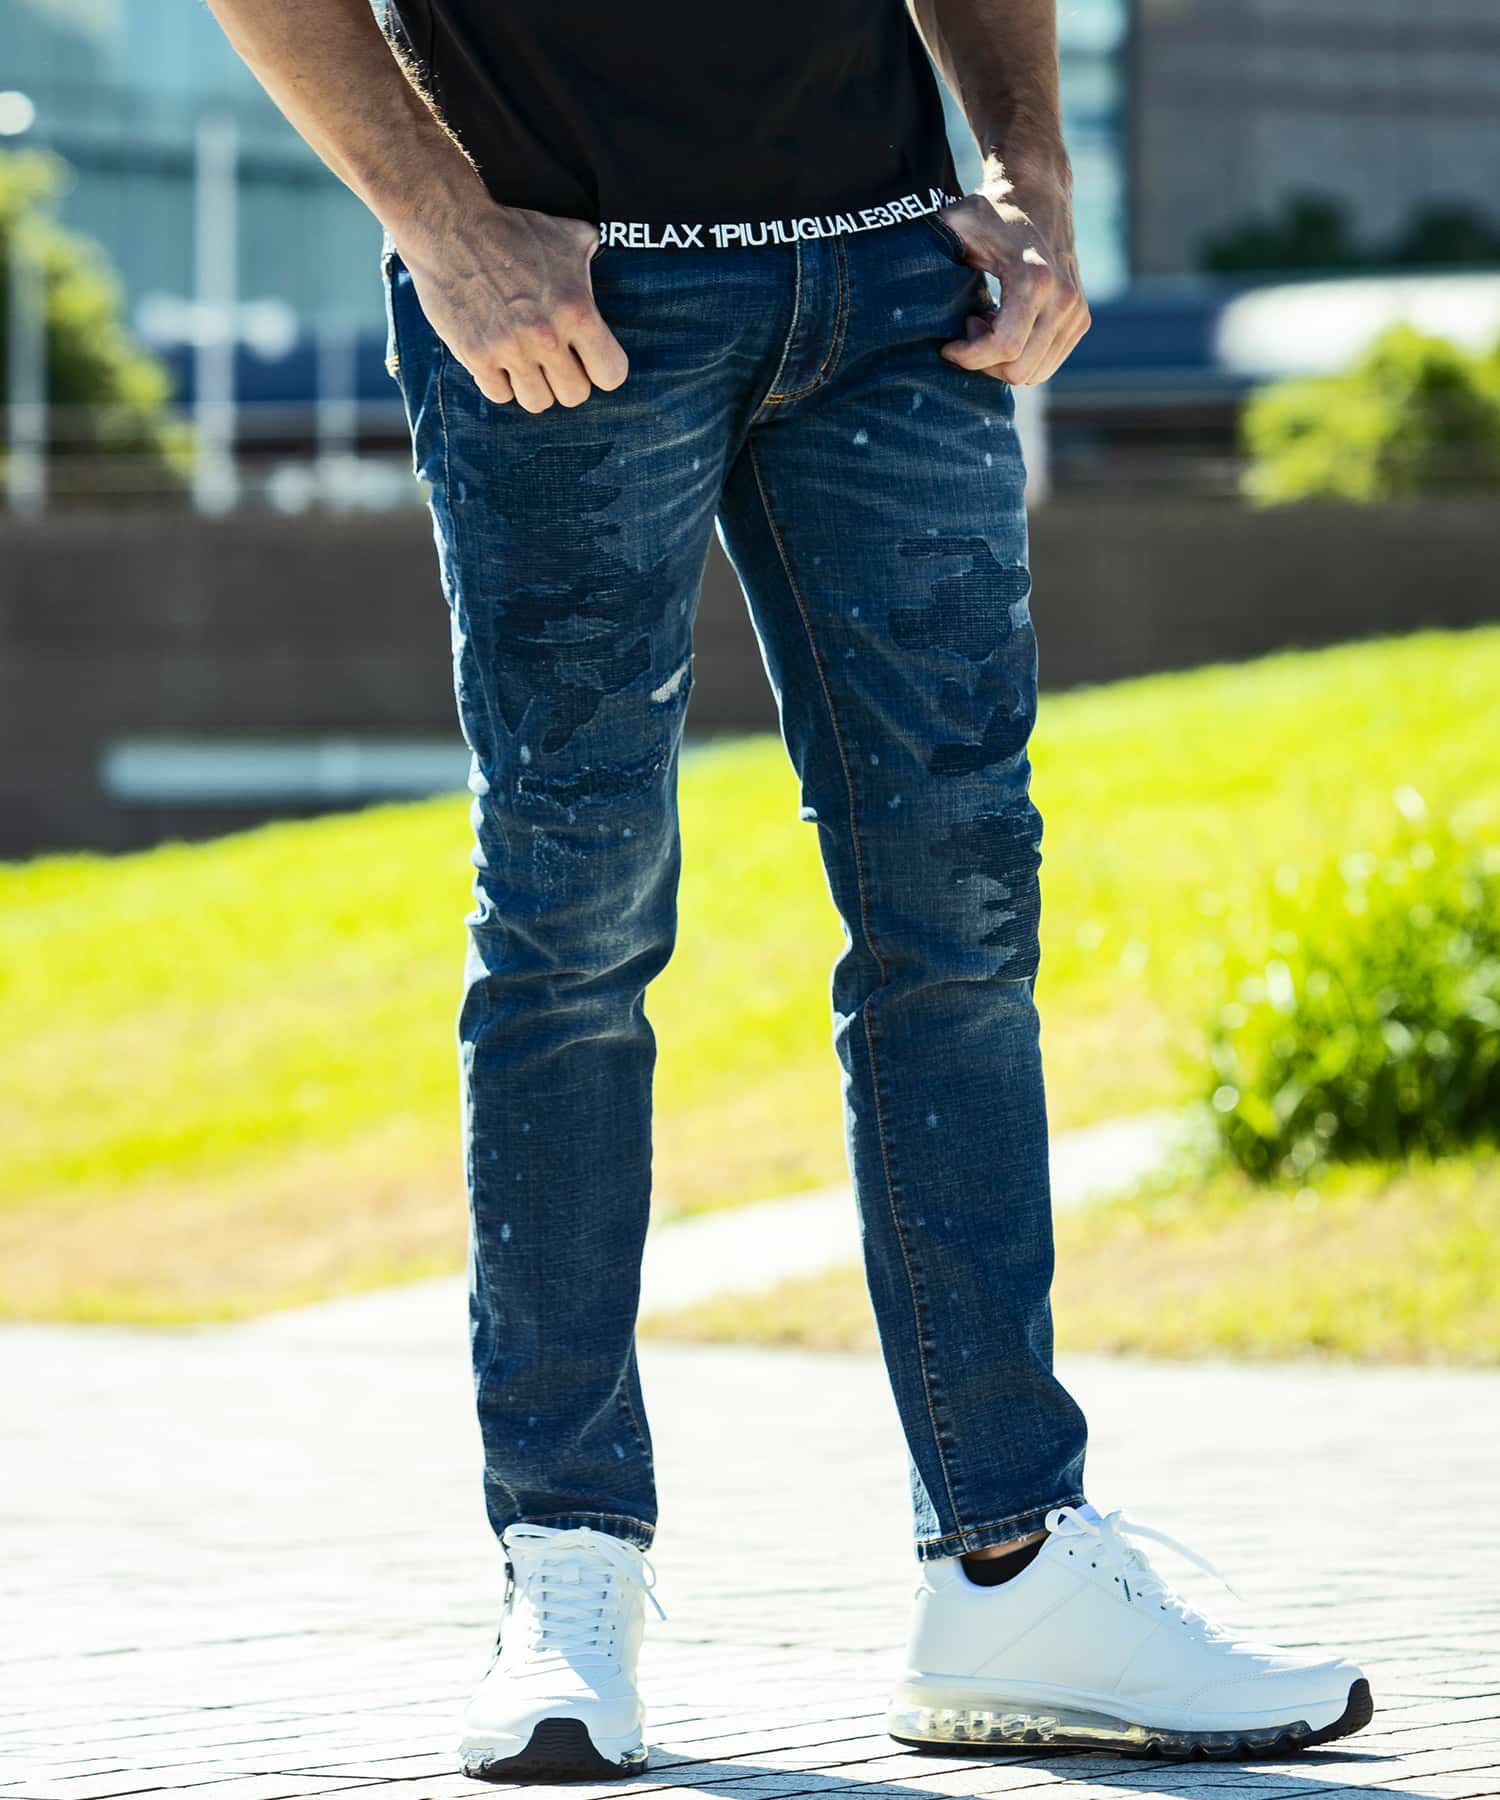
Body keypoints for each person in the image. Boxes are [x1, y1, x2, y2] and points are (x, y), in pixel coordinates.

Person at [206, 0, 1373, 1779]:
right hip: (572, 291)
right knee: (573, 926)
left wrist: (1030, 174)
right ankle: (568, 1563)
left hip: (900, 286)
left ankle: (1010, 1567)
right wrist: (443, 225)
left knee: (959, 922)